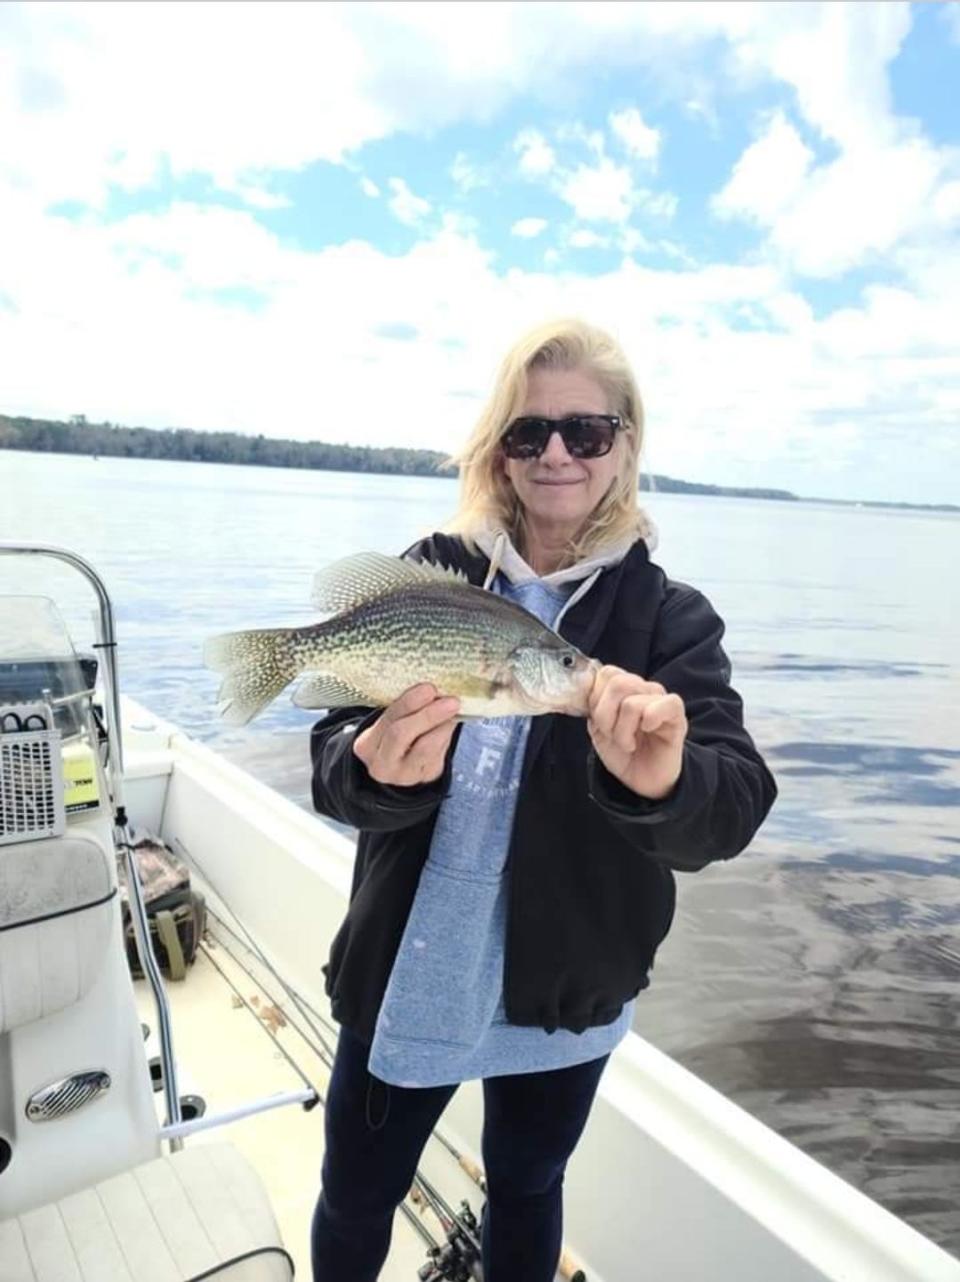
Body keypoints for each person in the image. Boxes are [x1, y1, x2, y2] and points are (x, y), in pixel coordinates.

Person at [308, 318, 778, 1281]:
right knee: (358, 1190)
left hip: (568, 980)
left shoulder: (669, 619)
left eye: (586, 432)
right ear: (500, 451)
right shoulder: (435, 568)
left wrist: (666, 785)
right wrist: (371, 769)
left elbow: (734, 800)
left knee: (527, 1185)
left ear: (625, 446)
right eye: (529, 434)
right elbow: (329, 753)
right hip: (412, 959)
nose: (556, 453)